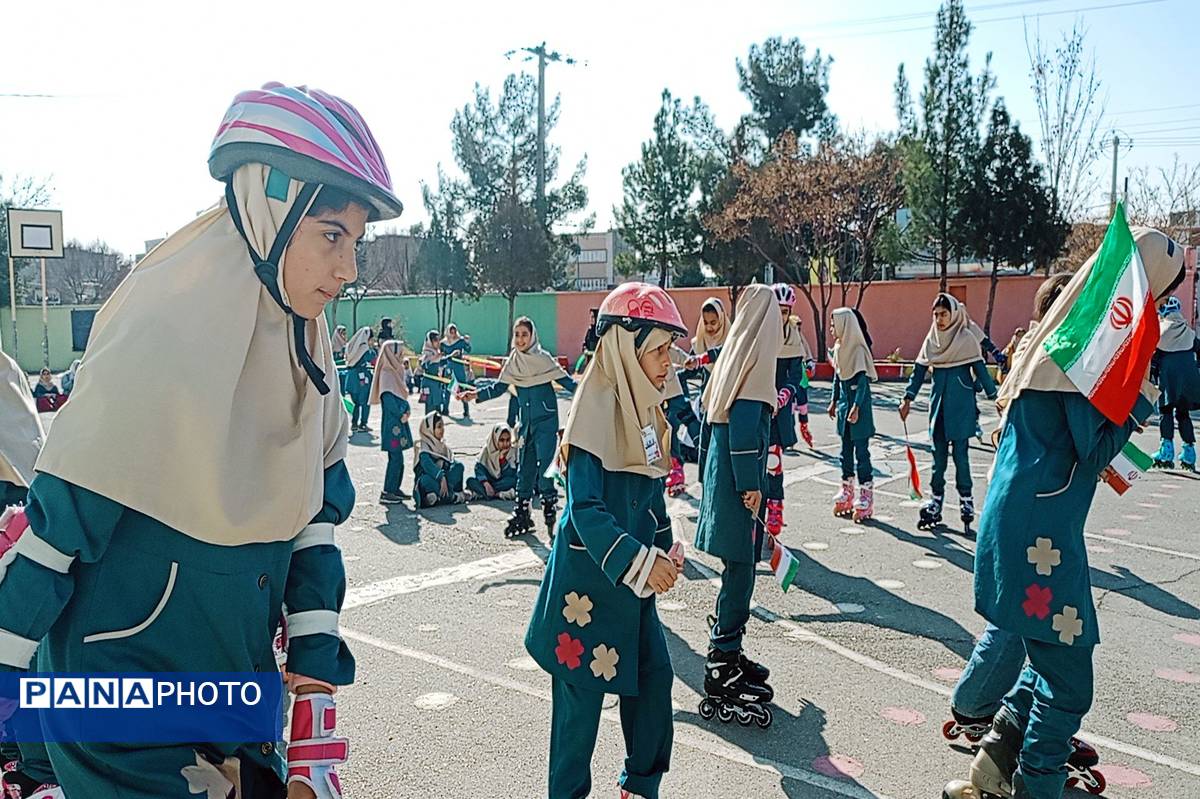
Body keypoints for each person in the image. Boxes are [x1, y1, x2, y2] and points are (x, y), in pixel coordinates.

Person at [0, 81, 405, 799]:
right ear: (271, 212)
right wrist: (9, 705)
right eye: (332, 236)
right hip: (119, 698)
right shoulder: (160, 329)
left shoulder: (307, 354)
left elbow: (314, 534)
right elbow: (57, 530)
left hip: (235, 696)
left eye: (357, 244)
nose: (348, 270)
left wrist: (312, 724)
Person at [943, 224, 1184, 799]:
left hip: (1021, 520)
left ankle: (996, 761)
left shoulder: (1066, 331)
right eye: (1163, 288)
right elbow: (1095, 449)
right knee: (1071, 681)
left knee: (1045, 656)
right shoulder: (1089, 346)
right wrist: (1141, 401)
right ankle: (1038, 782)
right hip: (1041, 532)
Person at [524, 281, 686, 799]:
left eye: (668, 350)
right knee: (578, 719)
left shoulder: (645, 410)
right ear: (625, 347)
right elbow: (585, 510)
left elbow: (650, 494)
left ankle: (641, 786)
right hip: (586, 595)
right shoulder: (593, 409)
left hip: (632, 589)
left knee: (656, 684)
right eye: (658, 350)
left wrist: (668, 544)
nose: (667, 362)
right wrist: (643, 562)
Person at [693, 284, 781, 728]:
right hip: (737, 487)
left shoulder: (731, 358)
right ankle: (722, 658)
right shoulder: (755, 363)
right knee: (741, 570)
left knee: (736, 569)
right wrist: (752, 485)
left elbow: (710, 432)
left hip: (719, 481)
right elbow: (746, 431)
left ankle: (727, 648)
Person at [471, 317, 578, 537]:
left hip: (546, 423)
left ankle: (549, 506)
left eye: (524, 335)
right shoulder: (514, 361)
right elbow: (500, 387)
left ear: (532, 336)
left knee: (546, 465)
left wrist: (592, 392)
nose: (520, 339)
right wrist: (476, 395)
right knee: (525, 466)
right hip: (525, 424)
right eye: (517, 334)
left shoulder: (543, 359)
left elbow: (568, 383)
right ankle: (522, 510)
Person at [900, 293, 998, 531]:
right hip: (939, 408)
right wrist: (907, 399)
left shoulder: (966, 339)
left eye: (944, 314)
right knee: (938, 458)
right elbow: (919, 371)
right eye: (936, 315)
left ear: (953, 314)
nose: (940, 319)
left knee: (961, 457)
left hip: (961, 408)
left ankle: (966, 500)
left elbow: (981, 371)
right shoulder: (932, 340)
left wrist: (996, 398)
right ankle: (936, 502)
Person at [828, 308, 878, 523]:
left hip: (858, 412)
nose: (831, 329)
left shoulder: (858, 350)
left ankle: (866, 495)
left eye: (833, 324)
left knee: (862, 453)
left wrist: (857, 407)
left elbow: (863, 384)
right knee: (845, 452)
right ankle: (847, 490)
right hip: (843, 410)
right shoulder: (839, 349)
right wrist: (833, 401)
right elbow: (838, 379)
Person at [764, 284, 806, 536]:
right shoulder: (761, 334)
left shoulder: (793, 337)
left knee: (773, 462)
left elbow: (796, 374)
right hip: (759, 409)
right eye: (777, 310)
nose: (781, 315)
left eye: (785, 311)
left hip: (779, 413)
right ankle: (756, 513)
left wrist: (785, 395)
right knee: (754, 464)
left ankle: (775, 510)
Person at [1150, 296, 1200, 470]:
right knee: (1183, 414)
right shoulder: (1189, 333)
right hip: (1188, 380)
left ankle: (1166, 450)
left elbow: (1153, 359)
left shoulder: (1160, 332)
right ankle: (1189, 452)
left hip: (1168, 379)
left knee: (1165, 412)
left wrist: (1151, 377)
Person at [372, 340, 413, 505]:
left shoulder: (396, 372)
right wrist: (401, 412)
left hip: (400, 422)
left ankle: (395, 489)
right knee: (395, 458)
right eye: (398, 352)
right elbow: (388, 400)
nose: (401, 355)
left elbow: (403, 395)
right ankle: (388, 491)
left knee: (399, 459)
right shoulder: (386, 374)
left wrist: (407, 410)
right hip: (392, 424)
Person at [413, 411, 466, 508]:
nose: (442, 430)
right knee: (425, 480)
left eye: (443, 426)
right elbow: (427, 465)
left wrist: (444, 470)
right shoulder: (423, 447)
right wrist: (441, 477)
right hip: (432, 480)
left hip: (445, 482)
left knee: (458, 466)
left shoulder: (442, 446)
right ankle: (452, 497)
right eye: (438, 427)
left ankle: (439, 497)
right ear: (430, 429)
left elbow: (450, 465)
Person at [466, 423, 518, 500]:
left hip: (503, 482)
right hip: (489, 481)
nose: (505, 444)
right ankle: (492, 493)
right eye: (501, 440)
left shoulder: (512, 451)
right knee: (470, 481)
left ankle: (487, 494)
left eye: (508, 440)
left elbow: (510, 474)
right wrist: (486, 483)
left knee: (513, 481)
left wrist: (502, 459)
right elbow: (479, 468)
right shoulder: (487, 450)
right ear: (495, 438)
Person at [344, 325, 374, 433]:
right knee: (365, 402)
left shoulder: (351, 347)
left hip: (351, 378)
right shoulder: (364, 348)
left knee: (356, 402)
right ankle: (363, 424)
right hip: (361, 378)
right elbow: (371, 358)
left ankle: (354, 424)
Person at [441, 323, 473, 419]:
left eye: (454, 332)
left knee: (462, 387)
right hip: (449, 367)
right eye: (451, 332)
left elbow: (469, 350)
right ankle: (445, 409)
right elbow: (441, 357)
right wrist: (450, 355)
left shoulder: (460, 341)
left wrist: (467, 342)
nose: (453, 334)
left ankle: (466, 410)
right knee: (447, 388)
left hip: (459, 367)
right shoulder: (443, 343)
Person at [419, 330, 450, 417]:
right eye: (435, 340)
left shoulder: (437, 352)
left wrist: (451, 356)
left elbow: (442, 362)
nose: (438, 342)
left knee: (437, 407)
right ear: (430, 341)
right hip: (429, 384)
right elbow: (424, 365)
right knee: (430, 408)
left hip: (436, 384)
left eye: (438, 339)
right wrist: (434, 358)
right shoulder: (427, 353)